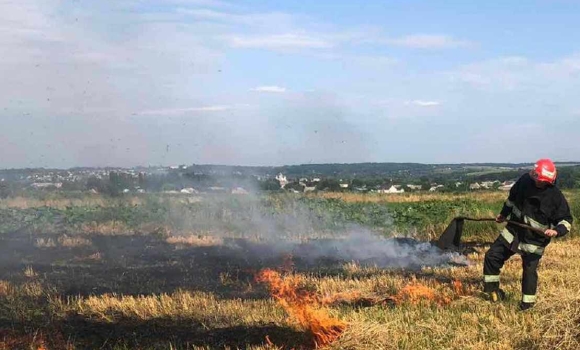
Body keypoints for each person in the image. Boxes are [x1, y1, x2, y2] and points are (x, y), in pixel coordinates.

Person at [483, 158, 573, 311]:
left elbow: (566, 220)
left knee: (529, 271)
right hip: (513, 231)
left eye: (540, 180)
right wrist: (504, 214)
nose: (536, 181)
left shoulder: (555, 197)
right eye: (534, 176)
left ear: (548, 182)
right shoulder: (525, 180)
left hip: (534, 240)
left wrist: (557, 231)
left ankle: (527, 305)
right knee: (492, 256)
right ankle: (493, 291)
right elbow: (511, 200)